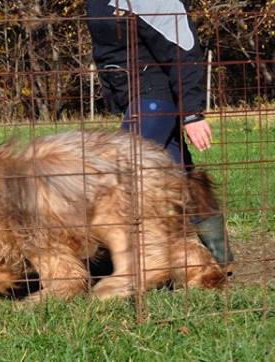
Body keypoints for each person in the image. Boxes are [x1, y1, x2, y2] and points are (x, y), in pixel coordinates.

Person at [86, 0, 233, 268]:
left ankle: (127, 261)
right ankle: (219, 257)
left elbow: (183, 50)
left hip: (154, 97)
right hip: (135, 96)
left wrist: (191, 113)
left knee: (121, 174)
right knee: (183, 175)